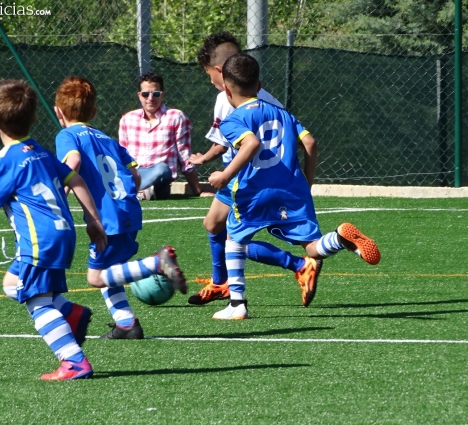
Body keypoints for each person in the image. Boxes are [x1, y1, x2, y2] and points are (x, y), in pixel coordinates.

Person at [208, 53, 381, 320]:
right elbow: (310, 143)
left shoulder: (233, 120)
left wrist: (224, 174)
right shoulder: (283, 114)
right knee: (312, 247)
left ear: (227, 89)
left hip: (254, 191)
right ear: (260, 85)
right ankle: (339, 238)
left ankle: (237, 304)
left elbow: (251, 144)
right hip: (292, 190)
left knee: (234, 240)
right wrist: (306, 184)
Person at [0, 78, 107, 381]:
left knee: (36, 302)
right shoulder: (42, 152)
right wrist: (93, 221)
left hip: (39, 241)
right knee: (12, 283)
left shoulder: (5, 161)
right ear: (34, 118)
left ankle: (74, 362)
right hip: (63, 233)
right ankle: (70, 313)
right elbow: (76, 180)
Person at [188, 31, 320, 308]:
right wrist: (206, 157)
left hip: (251, 177)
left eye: (208, 75)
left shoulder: (227, 97)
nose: (210, 81)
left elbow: (244, 143)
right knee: (213, 224)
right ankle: (221, 283)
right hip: (261, 174)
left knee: (233, 239)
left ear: (219, 72)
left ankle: (296, 266)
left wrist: (219, 170)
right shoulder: (260, 94)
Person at [54, 76, 149, 339]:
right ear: (94, 112)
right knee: (109, 271)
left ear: (58, 111)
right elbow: (136, 176)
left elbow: (72, 162)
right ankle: (126, 323)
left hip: (106, 218)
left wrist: (60, 194)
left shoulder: (67, 135)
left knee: (95, 276)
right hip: (128, 211)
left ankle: (156, 264)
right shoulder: (107, 139)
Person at [118, 72, 207, 200]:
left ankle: (128, 192)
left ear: (162, 95)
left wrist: (197, 191)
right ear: (139, 96)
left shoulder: (176, 116)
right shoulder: (127, 119)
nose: (150, 98)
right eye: (145, 94)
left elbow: (184, 156)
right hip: (135, 173)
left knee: (162, 169)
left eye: (155, 94)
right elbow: (123, 155)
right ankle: (141, 193)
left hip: (161, 175)